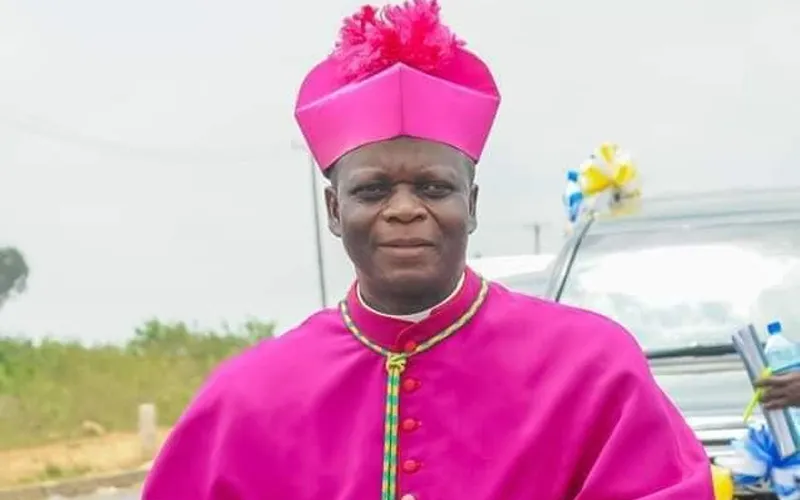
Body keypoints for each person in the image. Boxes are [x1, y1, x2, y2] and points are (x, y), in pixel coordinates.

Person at [141, 1, 715, 498]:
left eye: (434, 187)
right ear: (335, 211)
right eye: (372, 190)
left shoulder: (591, 369)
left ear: (472, 202)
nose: (404, 209)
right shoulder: (248, 398)